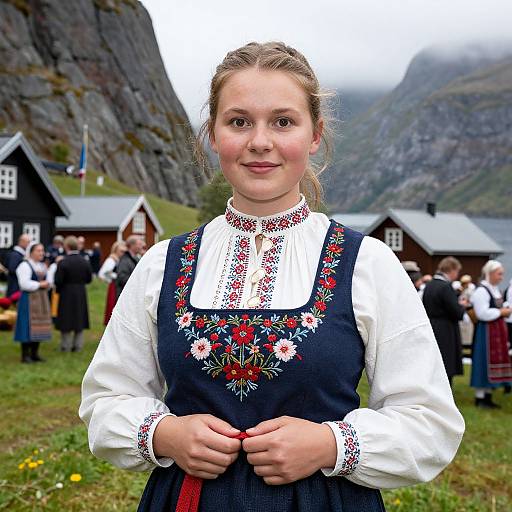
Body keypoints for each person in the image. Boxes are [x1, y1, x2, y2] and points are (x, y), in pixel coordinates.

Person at [80, 42, 464, 512]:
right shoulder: (164, 264)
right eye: (239, 121)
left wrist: (330, 445)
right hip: (188, 500)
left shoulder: (367, 264)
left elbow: (430, 422)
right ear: (214, 134)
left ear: (315, 134)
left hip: (324, 500)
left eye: (283, 121)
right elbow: (106, 399)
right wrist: (165, 433)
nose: (260, 141)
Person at [470, 260, 512, 408]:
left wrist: (505, 309)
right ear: (490, 273)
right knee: (484, 361)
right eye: (499, 274)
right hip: (486, 332)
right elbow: (482, 313)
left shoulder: (494, 289)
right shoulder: (482, 290)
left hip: (496, 330)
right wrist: (502, 311)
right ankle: (480, 397)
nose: (501, 277)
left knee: (492, 362)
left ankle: (487, 396)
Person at [422, 257, 467, 386]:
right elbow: (456, 312)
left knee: (435, 363)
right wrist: (462, 306)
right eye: (457, 271)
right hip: (446, 329)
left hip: (432, 326)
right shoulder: (445, 287)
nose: (457, 275)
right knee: (447, 363)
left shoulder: (429, 285)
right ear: (451, 270)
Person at [13, 242, 52, 363]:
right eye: (38, 251)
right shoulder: (24, 266)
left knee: (39, 325)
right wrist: (40, 284)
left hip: (41, 298)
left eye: (42, 250)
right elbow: (24, 284)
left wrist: (48, 284)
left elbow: (49, 280)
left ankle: (35, 353)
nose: (42, 253)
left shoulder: (41, 266)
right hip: (29, 299)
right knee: (27, 325)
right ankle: (25, 355)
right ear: (31, 252)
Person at [54, 236, 93, 352]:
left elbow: (58, 280)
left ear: (66, 246)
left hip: (66, 292)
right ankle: (78, 345)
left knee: (66, 318)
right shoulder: (84, 262)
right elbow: (89, 279)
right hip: (80, 292)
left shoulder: (63, 262)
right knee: (79, 317)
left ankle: (65, 345)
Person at [98, 241, 127, 325]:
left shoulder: (120, 260)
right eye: (121, 251)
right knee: (112, 304)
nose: (122, 253)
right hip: (114, 286)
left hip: (118, 285)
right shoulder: (111, 260)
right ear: (116, 250)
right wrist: (114, 277)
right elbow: (102, 273)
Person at [114, 234, 144, 299]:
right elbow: (122, 278)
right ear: (132, 245)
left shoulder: (135, 258)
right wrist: (139, 282)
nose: (142, 245)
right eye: (139, 244)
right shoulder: (125, 260)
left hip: (132, 296)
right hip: (126, 298)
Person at [6, 233, 31, 299]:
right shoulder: (15, 255)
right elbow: (12, 269)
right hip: (14, 286)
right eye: (27, 242)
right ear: (21, 241)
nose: (29, 244)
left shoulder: (21, 254)